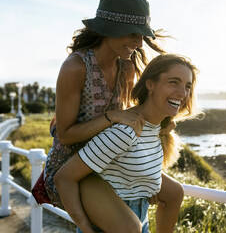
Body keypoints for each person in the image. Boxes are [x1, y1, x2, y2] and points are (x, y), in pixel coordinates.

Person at [41, 0, 184, 232]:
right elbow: (64, 135)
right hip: (75, 167)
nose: (139, 43)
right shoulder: (75, 66)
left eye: (141, 35)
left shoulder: (126, 67)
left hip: (109, 160)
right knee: (130, 228)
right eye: (132, 33)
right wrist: (112, 117)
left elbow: (128, 117)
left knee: (174, 193)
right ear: (109, 28)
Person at [54, 54, 199, 233]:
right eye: (173, 82)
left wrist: (147, 185)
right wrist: (84, 228)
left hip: (140, 219)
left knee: (175, 192)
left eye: (187, 86)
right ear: (150, 84)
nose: (182, 93)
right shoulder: (125, 131)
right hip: (114, 226)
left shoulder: (158, 127)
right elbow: (63, 177)